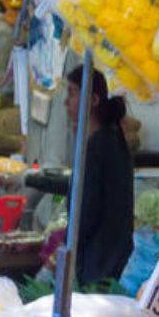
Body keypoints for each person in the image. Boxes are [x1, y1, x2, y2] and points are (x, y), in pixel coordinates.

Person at [27, 66, 134, 287]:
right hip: (113, 255)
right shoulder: (112, 140)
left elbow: (86, 212)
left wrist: (60, 255)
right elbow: (82, 187)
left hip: (98, 263)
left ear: (93, 100)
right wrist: (28, 179)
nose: (66, 102)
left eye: (73, 93)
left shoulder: (97, 147)